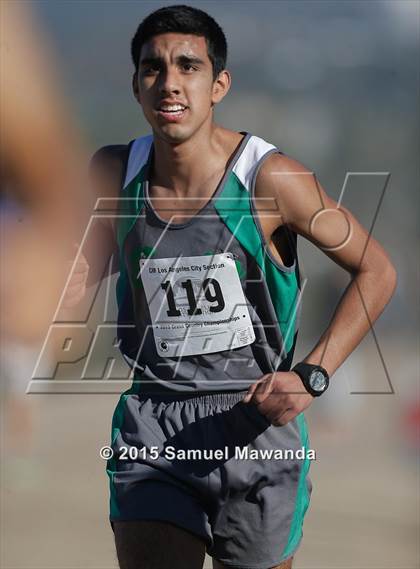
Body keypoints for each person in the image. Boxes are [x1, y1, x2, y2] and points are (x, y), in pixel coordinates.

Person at [65, 5, 397, 568]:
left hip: (257, 422)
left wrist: (311, 375)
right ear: (135, 85)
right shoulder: (114, 175)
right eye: (153, 68)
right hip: (156, 423)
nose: (169, 83)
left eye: (188, 67)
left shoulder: (271, 179)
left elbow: (377, 270)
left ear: (218, 84)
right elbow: (70, 279)